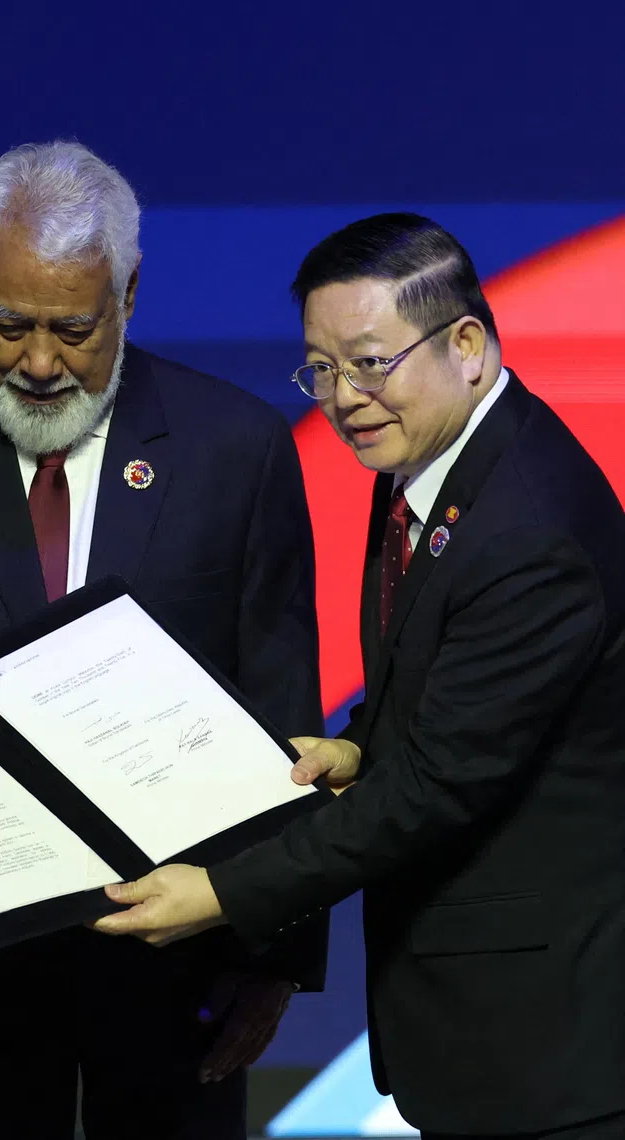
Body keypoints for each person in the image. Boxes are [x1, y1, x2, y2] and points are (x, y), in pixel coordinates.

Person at [93, 213, 625, 1139]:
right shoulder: (439, 457)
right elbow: (441, 674)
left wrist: (224, 895)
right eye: (321, 369)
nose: (343, 398)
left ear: (466, 344)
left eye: (370, 363)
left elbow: (435, 790)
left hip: (548, 1046)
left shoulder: (532, 528)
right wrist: (358, 743)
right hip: (485, 1028)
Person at [0, 141, 326, 1140]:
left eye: (72, 327)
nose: (39, 363)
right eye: (8, 324)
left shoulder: (233, 447)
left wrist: (272, 955)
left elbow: (283, 700)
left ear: (130, 296)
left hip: (178, 967)